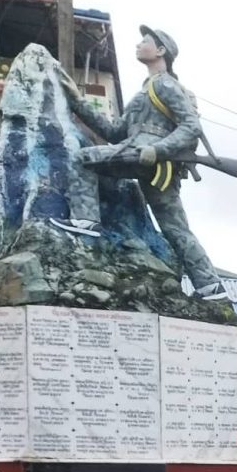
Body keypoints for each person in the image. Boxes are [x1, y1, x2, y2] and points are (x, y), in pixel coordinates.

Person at [59, 26, 227, 299]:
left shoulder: (164, 84)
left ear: (160, 51)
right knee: (174, 226)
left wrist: (158, 149)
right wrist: (78, 102)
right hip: (149, 159)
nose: (139, 45)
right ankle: (210, 285)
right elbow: (114, 132)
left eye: (145, 41)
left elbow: (191, 126)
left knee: (84, 158)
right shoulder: (145, 90)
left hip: (147, 155)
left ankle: (86, 221)